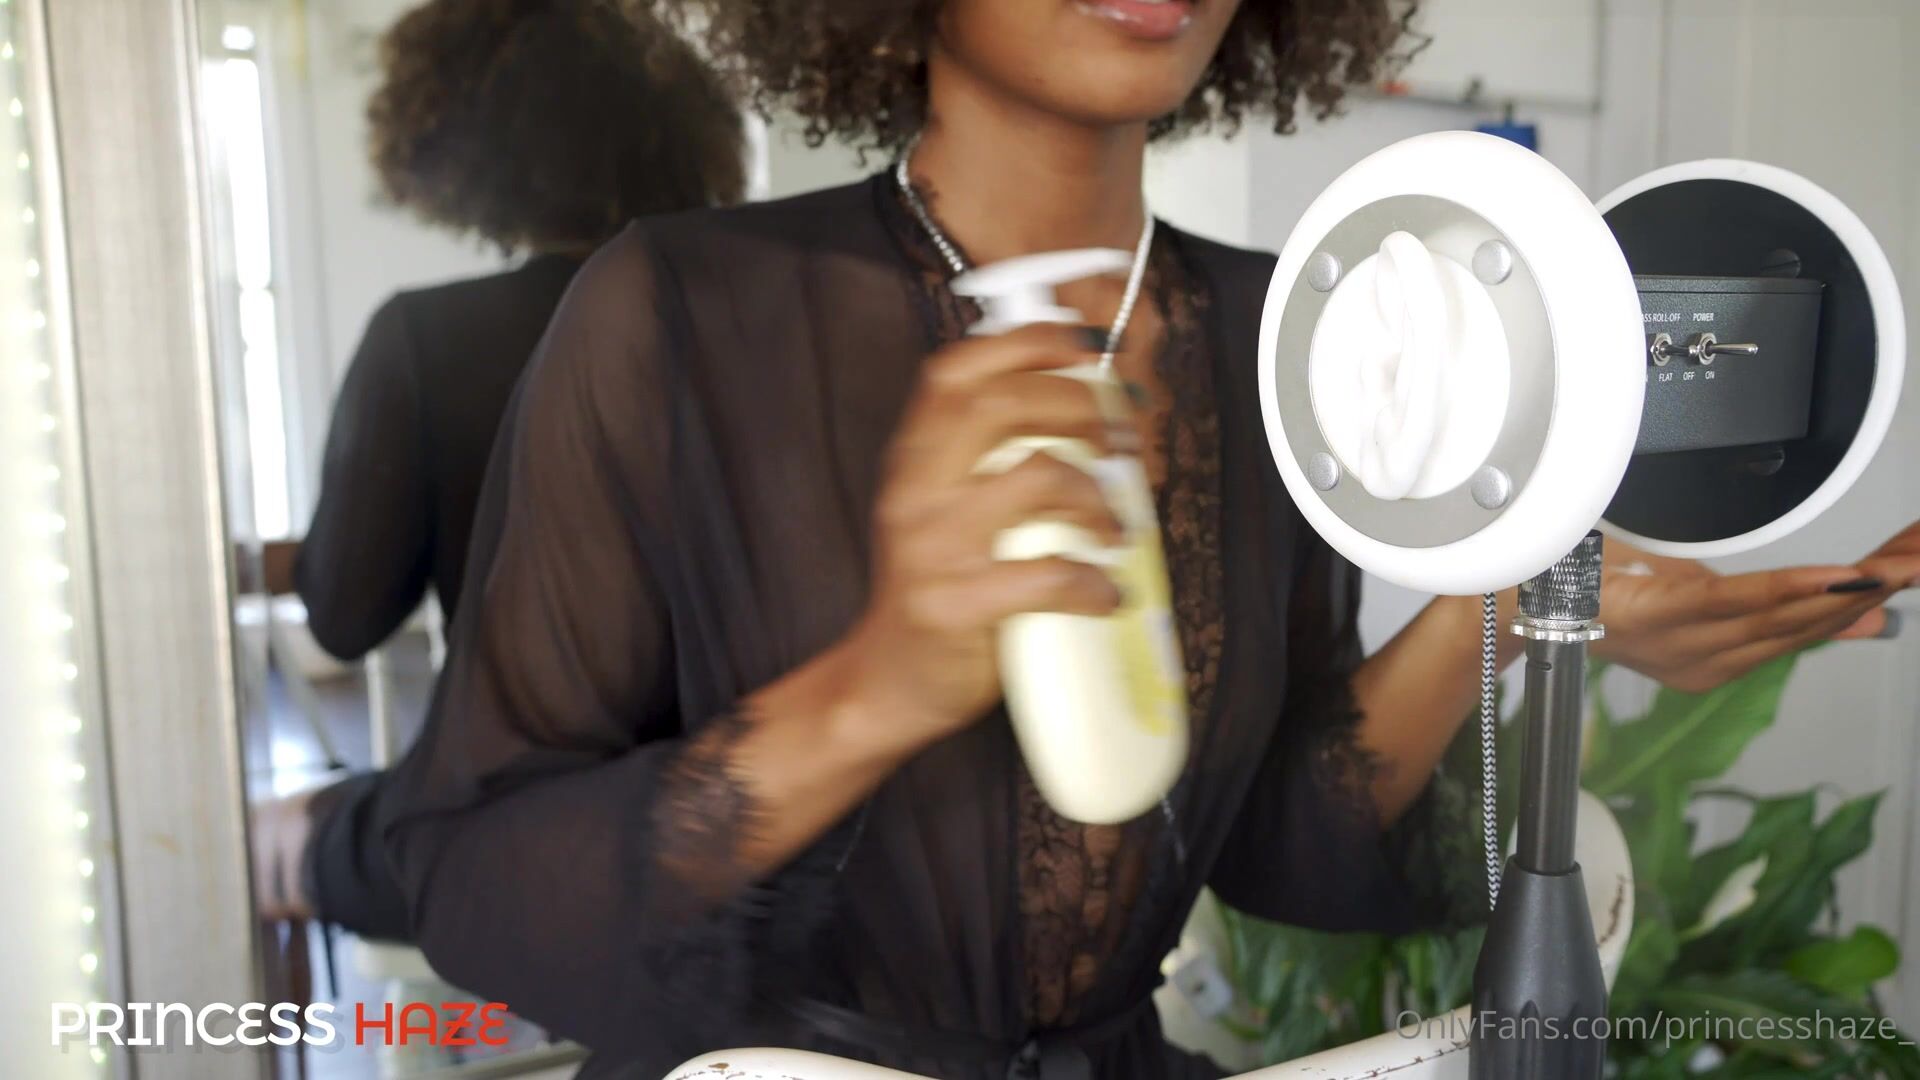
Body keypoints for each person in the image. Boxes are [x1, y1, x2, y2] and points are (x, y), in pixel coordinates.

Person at [379, 0, 1920, 1075]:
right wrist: (880, 686)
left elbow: (1282, 849)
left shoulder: (1276, 333)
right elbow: (470, 887)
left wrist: (1509, 600)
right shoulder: (674, 311)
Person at [255, 0, 745, 938]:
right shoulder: (760, 317)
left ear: (456, 150)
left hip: (523, 826)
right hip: (759, 810)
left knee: (266, 835)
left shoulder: (426, 342)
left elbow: (345, 618)